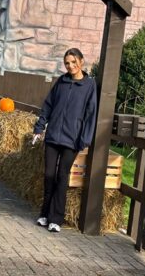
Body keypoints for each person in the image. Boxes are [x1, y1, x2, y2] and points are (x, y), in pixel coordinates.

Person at [32, 49, 98, 232]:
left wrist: (84, 139)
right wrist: (39, 127)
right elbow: (48, 105)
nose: (70, 66)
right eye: (67, 63)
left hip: (72, 140)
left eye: (73, 62)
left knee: (62, 177)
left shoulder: (89, 85)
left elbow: (91, 113)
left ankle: (56, 219)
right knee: (49, 176)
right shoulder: (62, 81)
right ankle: (44, 214)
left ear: (81, 62)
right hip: (53, 136)